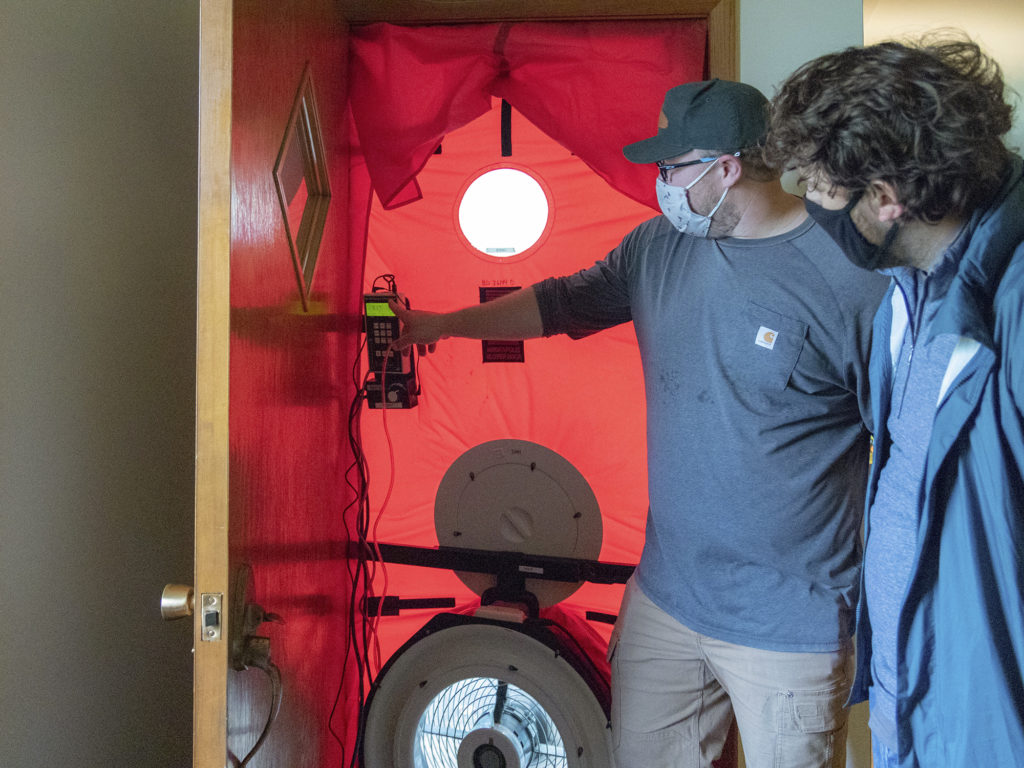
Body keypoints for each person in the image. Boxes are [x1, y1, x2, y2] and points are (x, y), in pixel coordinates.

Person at [391, 79, 888, 768]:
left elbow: (904, 448)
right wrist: (443, 326)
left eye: (670, 168)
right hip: (668, 600)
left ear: (727, 167)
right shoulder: (657, 249)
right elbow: (560, 304)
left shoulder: (850, 280)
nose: (659, 183)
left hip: (788, 622)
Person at [766, 35, 1024, 768]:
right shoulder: (904, 297)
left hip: (991, 726)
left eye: (819, 186)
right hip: (915, 705)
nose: (807, 201)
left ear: (885, 199)